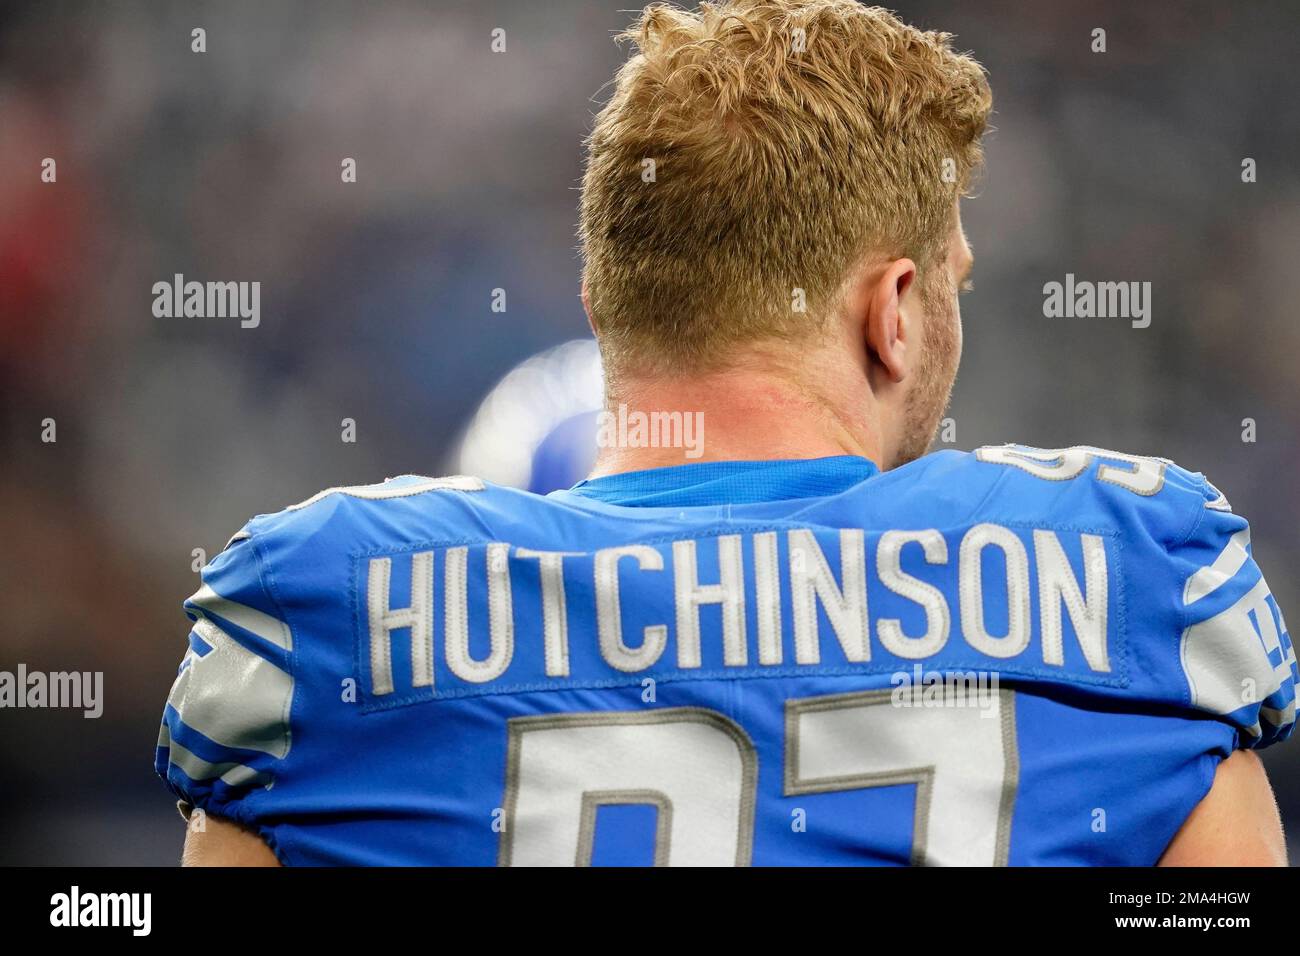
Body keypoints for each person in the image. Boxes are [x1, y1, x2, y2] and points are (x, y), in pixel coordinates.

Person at [161, 0, 1292, 866]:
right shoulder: (1135, 585)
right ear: (891, 311)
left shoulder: (325, 624)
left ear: (604, 310)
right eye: (951, 278)